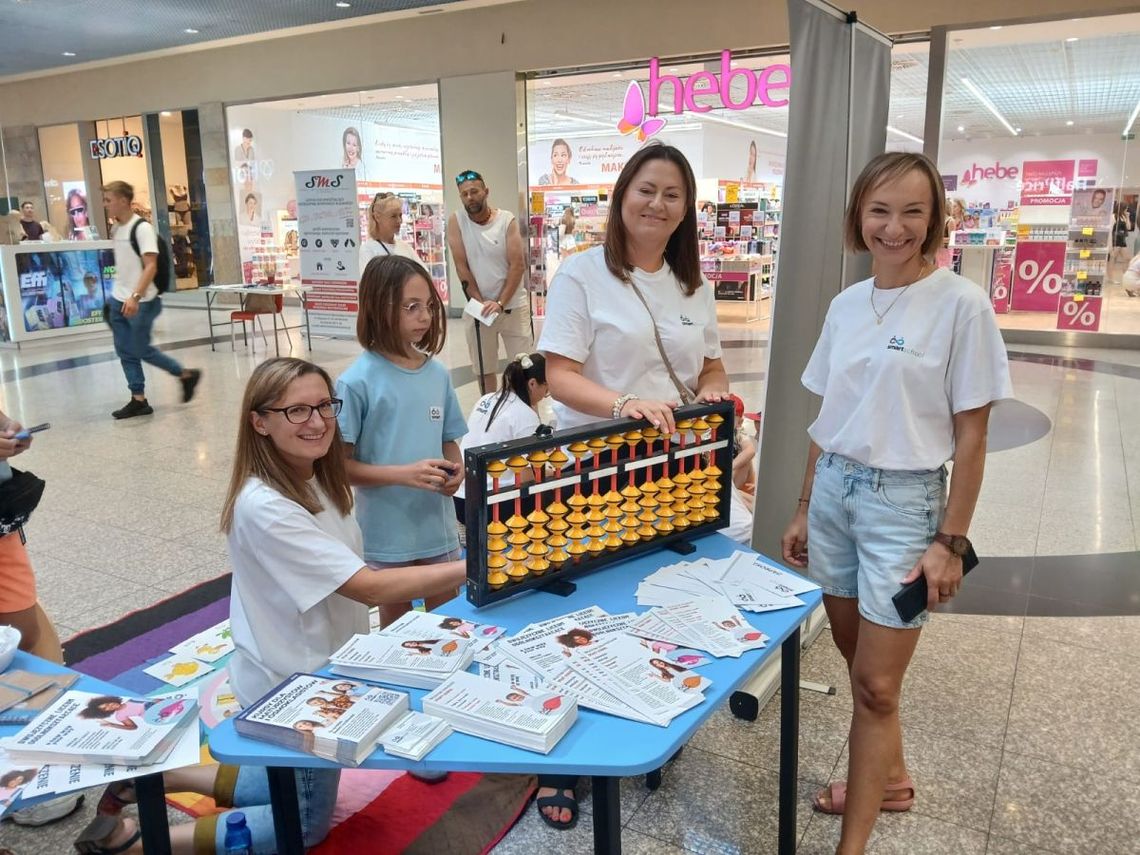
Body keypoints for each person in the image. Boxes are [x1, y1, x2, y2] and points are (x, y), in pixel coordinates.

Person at [70, 357, 467, 854]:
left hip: (317, 664)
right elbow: (368, 587)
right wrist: (477, 566)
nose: (318, 421)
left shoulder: (315, 475)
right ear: (259, 421)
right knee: (304, 824)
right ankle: (137, 844)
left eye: (324, 405)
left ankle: (157, 779)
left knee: (291, 782)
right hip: (293, 684)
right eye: (296, 410)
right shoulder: (267, 506)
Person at [779, 152, 1011, 854]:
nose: (894, 226)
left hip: (904, 510)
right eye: (880, 210)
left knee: (877, 685)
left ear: (934, 219)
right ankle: (895, 775)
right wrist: (802, 503)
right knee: (859, 667)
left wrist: (951, 541)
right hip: (835, 501)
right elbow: (829, 413)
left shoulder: (961, 305)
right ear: (859, 217)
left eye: (913, 211)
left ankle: (853, 845)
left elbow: (972, 436)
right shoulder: (847, 305)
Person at [535, 142, 729, 828]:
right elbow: (558, 374)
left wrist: (716, 396)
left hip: (670, 469)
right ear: (622, 196)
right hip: (591, 465)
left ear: (686, 210)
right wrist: (622, 403)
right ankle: (561, 760)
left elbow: (709, 370)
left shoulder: (692, 287)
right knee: (582, 613)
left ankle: (648, 722)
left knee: (655, 604)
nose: (657, 203)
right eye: (646, 189)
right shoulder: (582, 275)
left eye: (673, 194)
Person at [336, 255, 466, 629]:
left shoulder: (437, 374)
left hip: (437, 527)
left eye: (428, 306)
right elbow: (341, 467)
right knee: (399, 630)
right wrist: (403, 475)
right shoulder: (356, 382)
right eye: (411, 307)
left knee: (449, 623)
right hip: (386, 532)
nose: (424, 317)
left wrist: (454, 472)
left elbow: (448, 441)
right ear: (378, 308)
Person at [102, 181, 201, 419]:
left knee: (138, 348)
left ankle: (186, 374)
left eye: (108, 200)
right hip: (119, 299)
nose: (105, 205)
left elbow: (151, 266)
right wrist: (117, 296)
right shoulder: (117, 229)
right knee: (125, 350)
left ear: (123, 201)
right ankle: (139, 399)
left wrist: (135, 296)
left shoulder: (141, 229)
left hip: (142, 301)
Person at [447, 169, 532, 394]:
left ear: (486, 191)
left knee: (522, 369)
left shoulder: (507, 220)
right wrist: (481, 303)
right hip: (480, 310)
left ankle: (527, 418)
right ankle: (491, 421)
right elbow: (461, 266)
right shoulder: (457, 222)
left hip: (513, 307)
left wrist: (500, 303)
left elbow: (517, 265)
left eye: (474, 191)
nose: (470, 198)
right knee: (484, 371)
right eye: (464, 194)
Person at [453, 353, 549, 522]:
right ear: (532, 384)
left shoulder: (486, 398)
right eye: (546, 390)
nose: (544, 396)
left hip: (459, 501)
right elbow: (528, 478)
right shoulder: (525, 415)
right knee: (556, 494)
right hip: (492, 506)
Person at [359, 192, 422, 269]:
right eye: (393, 216)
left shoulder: (405, 247)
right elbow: (370, 280)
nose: (399, 221)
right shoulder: (368, 249)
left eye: (400, 215)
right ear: (377, 217)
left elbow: (424, 273)